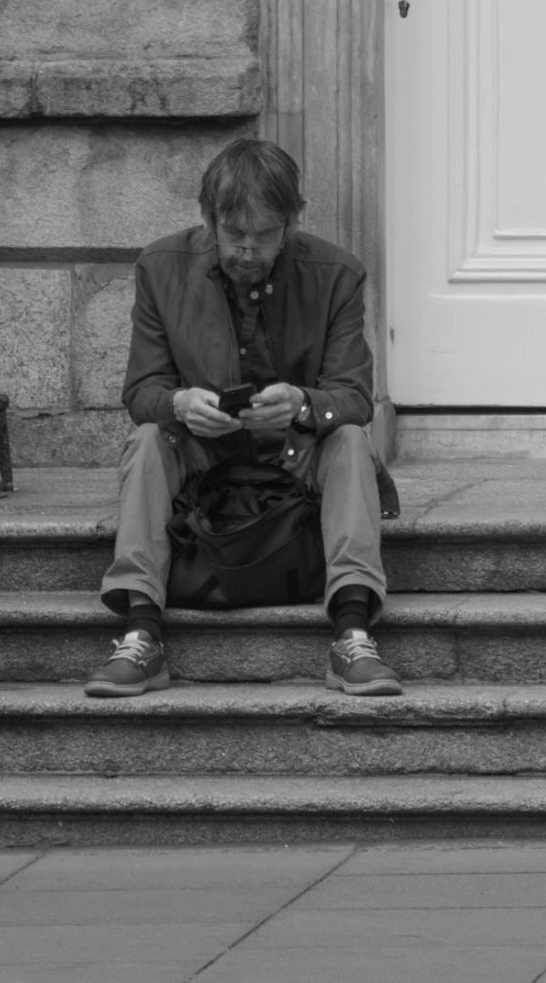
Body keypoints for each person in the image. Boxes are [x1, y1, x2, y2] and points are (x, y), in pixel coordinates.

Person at [83, 136, 401, 700]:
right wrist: (179, 404)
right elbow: (142, 390)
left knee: (351, 439)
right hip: (204, 454)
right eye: (235, 235)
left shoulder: (338, 274)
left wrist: (304, 403)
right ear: (209, 219)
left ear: (292, 223)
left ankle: (353, 634)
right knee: (148, 438)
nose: (249, 250)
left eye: (266, 235)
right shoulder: (160, 267)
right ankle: (140, 633)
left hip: (298, 453)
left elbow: (353, 396)